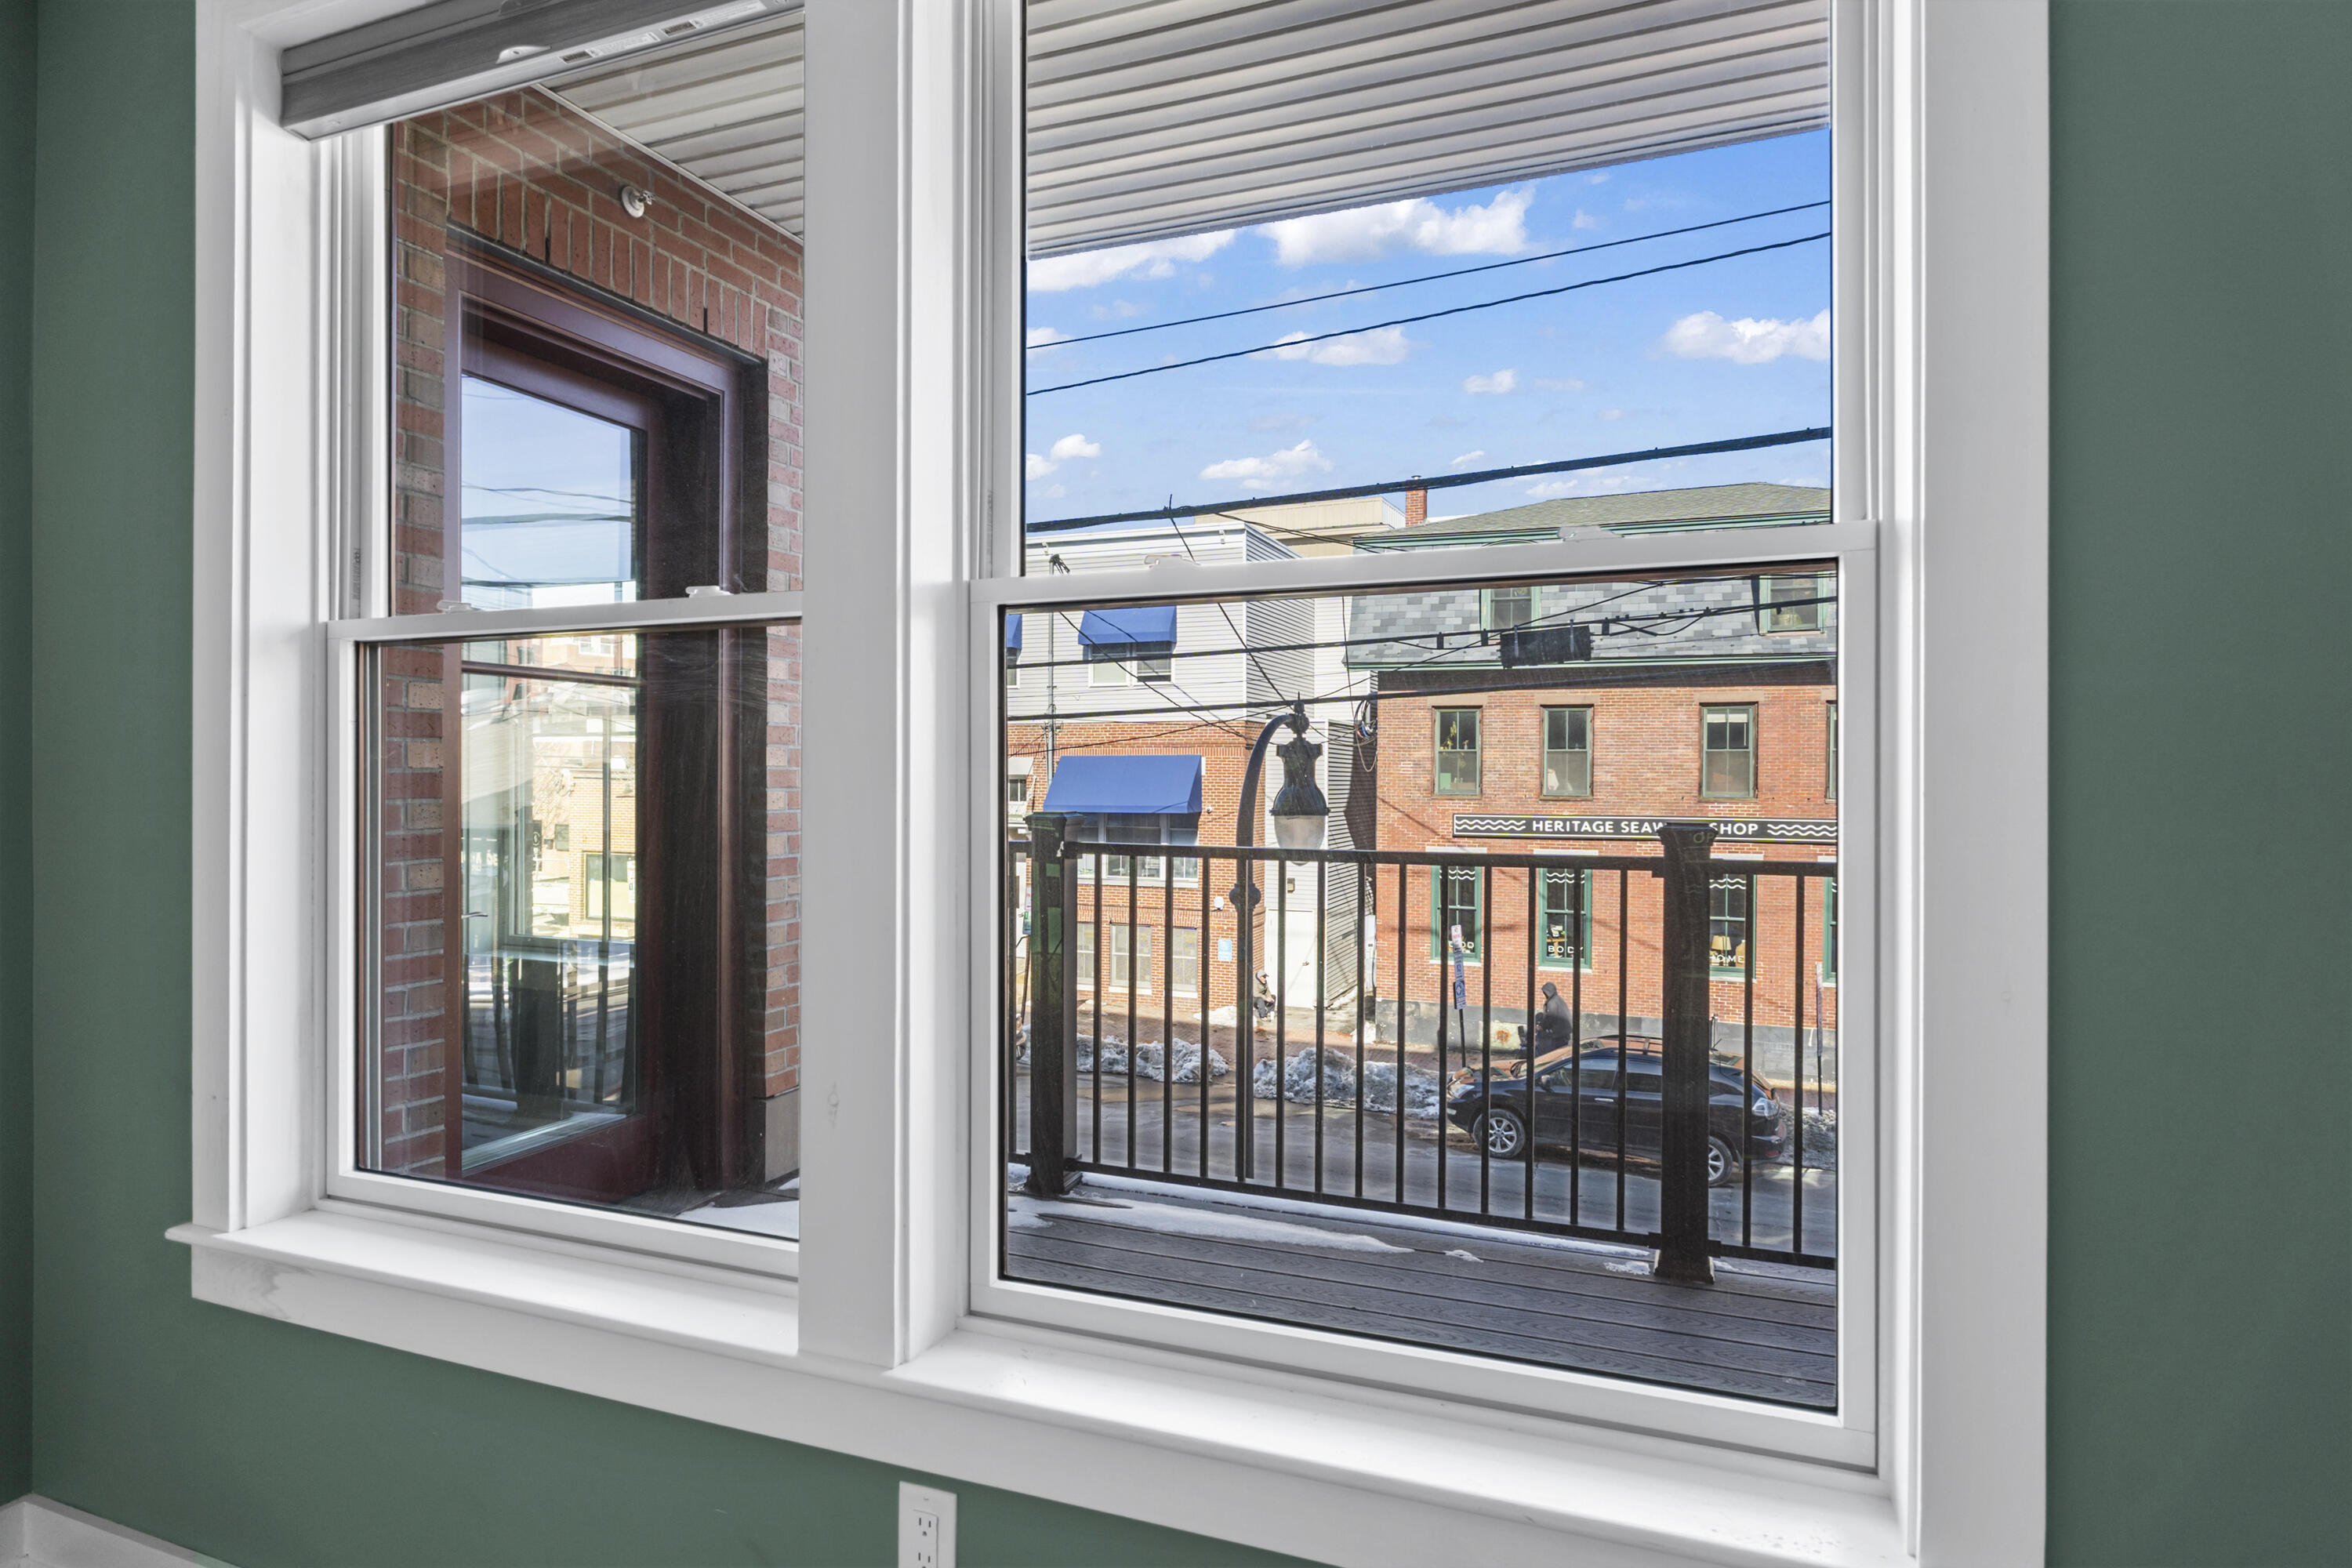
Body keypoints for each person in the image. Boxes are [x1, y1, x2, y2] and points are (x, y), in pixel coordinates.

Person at [1535, 980, 1573, 1056]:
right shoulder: (1559, 1000)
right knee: (1561, 1053)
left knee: (1554, 1054)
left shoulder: (1552, 1003)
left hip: (1558, 1034)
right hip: (1565, 1033)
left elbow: (1550, 1017)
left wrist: (1542, 1027)